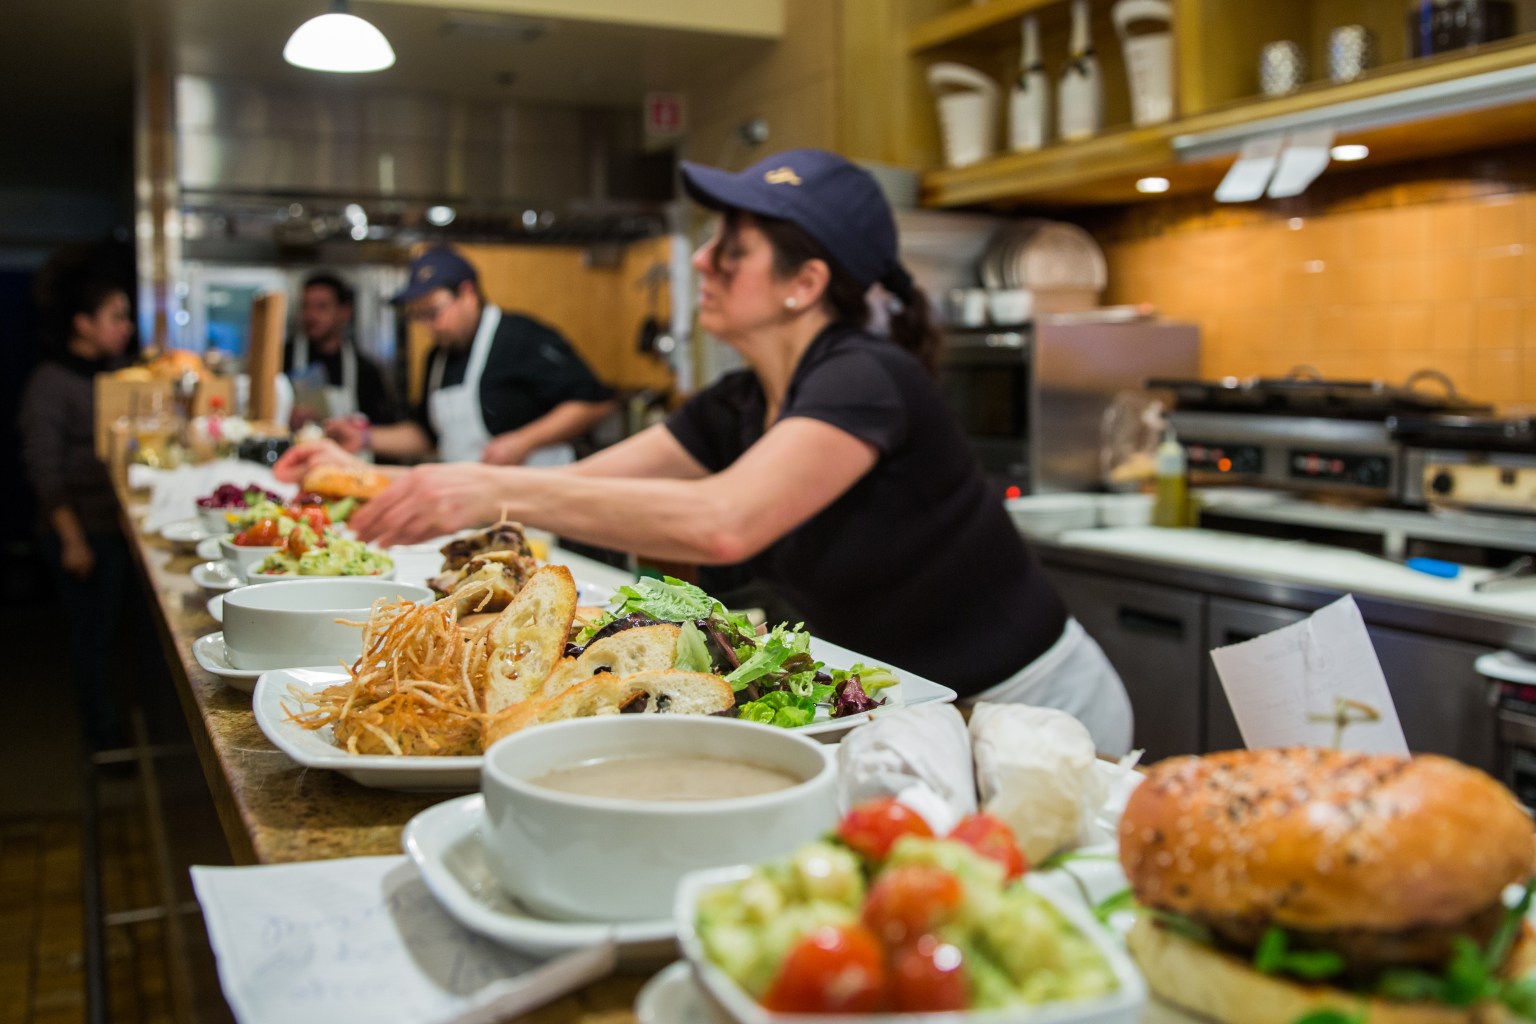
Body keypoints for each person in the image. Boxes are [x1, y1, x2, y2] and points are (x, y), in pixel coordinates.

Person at [276, 149, 1133, 754]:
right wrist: (372, 477)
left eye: (734, 246)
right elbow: (577, 483)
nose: (702, 259)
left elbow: (724, 524)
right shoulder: (740, 401)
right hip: (918, 708)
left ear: (805, 284)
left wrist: (476, 490)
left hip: (1029, 711)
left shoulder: (868, 377)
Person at [323, 247, 617, 467]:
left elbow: (594, 403)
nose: (427, 326)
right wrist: (364, 438)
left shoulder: (520, 337)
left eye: (433, 312)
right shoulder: (437, 357)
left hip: (540, 507)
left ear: (467, 294)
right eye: (419, 316)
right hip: (473, 511)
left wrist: (523, 442)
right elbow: (426, 434)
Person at [18, 275, 136, 752]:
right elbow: (44, 470)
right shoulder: (51, 384)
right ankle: (101, 735)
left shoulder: (118, 374)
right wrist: (72, 539)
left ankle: (119, 720)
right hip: (81, 530)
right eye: (116, 317)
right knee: (92, 636)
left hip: (114, 525)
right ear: (83, 324)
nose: (126, 327)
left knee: (112, 632)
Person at [284, 271, 402, 427]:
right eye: (306, 306)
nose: (311, 315)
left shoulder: (366, 371)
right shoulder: (283, 358)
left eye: (321, 307)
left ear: (344, 312)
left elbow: (384, 427)